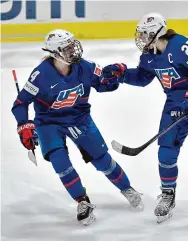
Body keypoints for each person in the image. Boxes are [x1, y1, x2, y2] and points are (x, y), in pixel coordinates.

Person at [102, 13, 188, 231]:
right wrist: (122, 74)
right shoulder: (149, 56)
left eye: (144, 35)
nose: (140, 39)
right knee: (166, 152)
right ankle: (168, 194)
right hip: (174, 107)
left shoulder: (183, 46)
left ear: (155, 33)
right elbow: (143, 78)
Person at [11, 29, 143, 226]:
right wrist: (24, 124)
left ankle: (127, 188)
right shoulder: (41, 75)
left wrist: (115, 74)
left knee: (102, 160)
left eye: (73, 44)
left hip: (79, 119)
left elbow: (104, 84)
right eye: (67, 47)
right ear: (55, 53)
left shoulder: (86, 67)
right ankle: (82, 201)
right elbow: (20, 103)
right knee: (60, 161)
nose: (74, 50)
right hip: (49, 123)